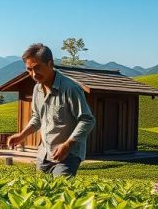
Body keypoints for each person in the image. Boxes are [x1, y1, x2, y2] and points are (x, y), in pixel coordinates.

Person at [6, 43, 95, 177]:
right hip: (44, 154)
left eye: (37, 68)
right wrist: (21, 135)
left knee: (59, 192)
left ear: (50, 64)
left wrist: (67, 145)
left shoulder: (70, 89)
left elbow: (87, 120)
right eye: (29, 70)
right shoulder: (37, 89)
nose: (34, 74)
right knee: (40, 192)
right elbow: (37, 117)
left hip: (67, 155)